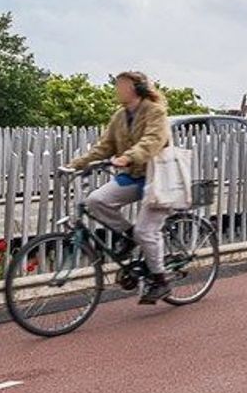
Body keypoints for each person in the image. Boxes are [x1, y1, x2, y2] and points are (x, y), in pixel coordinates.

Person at [65, 71, 174, 303]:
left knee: (146, 231)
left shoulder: (156, 112)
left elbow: (153, 140)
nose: (117, 89)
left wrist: (128, 156)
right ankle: (127, 234)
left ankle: (161, 280)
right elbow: (104, 147)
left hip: (158, 178)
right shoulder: (119, 116)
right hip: (134, 177)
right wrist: (76, 165)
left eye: (121, 85)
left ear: (136, 87)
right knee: (95, 201)